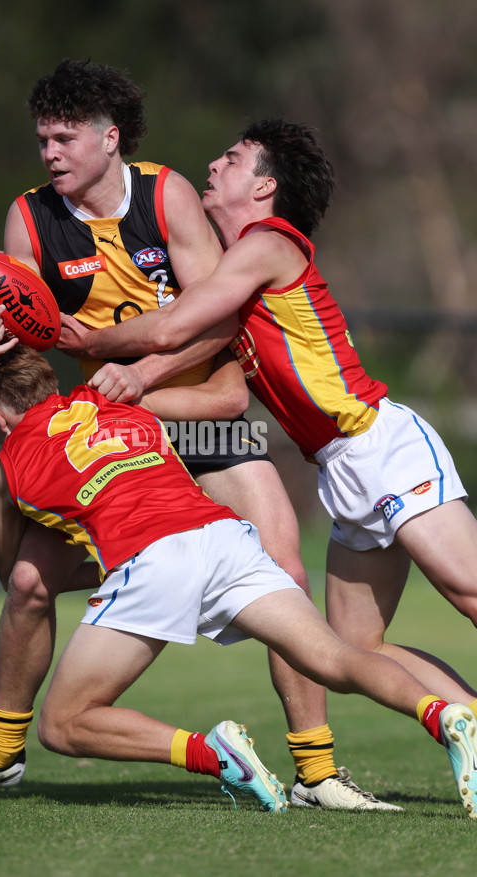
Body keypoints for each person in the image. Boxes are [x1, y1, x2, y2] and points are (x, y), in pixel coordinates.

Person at [0, 60, 393, 809]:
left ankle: (317, 772)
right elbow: (15, 332)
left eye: (64, 138)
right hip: (115, 428)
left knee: (286, 568)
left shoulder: (166, 194)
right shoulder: (30, 218)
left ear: (109, 139)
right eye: (41, 138)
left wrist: (140, 372)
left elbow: (219, 324)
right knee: (25, 581)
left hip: (201, 409)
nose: (49, 153)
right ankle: (0, 751)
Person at [63, 119, 477, 811]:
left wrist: (92, 339)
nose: (213, 164)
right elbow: (195, 340)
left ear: (264, 185)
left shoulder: (268, 242)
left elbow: (169, 328)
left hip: (382, 445)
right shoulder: (236, 261)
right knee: (349, 649)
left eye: (230, 158)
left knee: (470, 594)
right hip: (341, 472)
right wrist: (136, 382)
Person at [0, 347, 477, 820]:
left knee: (63, 724)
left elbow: (9, 573)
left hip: (153, 561)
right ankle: (443, 714)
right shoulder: (121, 403)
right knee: (336, 656)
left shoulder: (4, 466)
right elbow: (222, 397)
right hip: (227, 539)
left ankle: (213, 752)